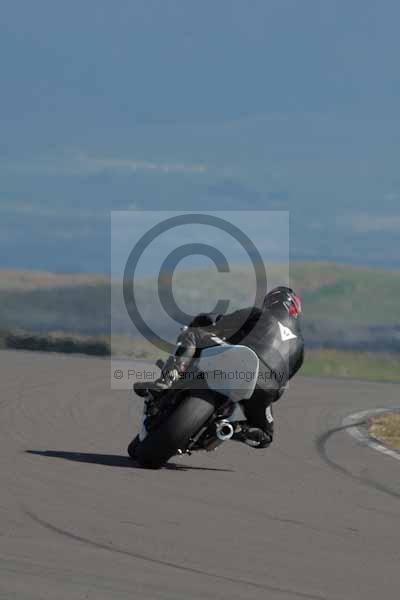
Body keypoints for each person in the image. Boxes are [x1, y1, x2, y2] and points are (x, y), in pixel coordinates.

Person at [137, 287, 304, 449]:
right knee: (265, 436)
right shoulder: (300, 348)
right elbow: (280, 391)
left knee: (192, 334)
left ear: (272, 301)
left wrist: (202, 322)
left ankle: (167, 381)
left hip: (238, 358)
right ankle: (229, 429)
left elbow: (217, 324)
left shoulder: (258, 314)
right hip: (265, 387)